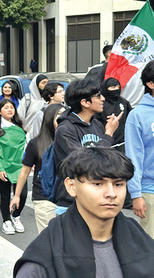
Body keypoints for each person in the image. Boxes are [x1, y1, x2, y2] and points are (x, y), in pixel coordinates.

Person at [8, 147, 154, 278]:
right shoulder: (49, 249)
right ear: (71, 186)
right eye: (98, 183)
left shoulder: (139, 240)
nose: (112, 193)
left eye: (118, 184)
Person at [52, 79, 121, 215]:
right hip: (71, 202)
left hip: (96, 198)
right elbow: (85, 161)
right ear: (84, 102)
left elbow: (106, 160)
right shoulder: (66, 129)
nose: (102, 99)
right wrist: (108, 134)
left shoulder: (97, 124)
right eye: (98, 96)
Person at [10, 104, 66, 233]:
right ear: (49, 118)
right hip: (43, 197)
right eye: (59, 114)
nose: (63, 117)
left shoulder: (70, 141)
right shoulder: (36, 143)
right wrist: (17, 195)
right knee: (49, 237)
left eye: (65, 113)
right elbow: (25, 170)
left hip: (66, 197)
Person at [0, 99, 27, 235]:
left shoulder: (18, 126)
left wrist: (28, 162)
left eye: (12, 107)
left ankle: (16, 216)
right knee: (5, 195)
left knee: (22, 194)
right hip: (2, 167)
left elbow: (25, 146)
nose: (10, 110)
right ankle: (6, 221)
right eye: (6, 107)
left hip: (19, 166)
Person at [126, 60, 154, 237]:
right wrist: (136, 194)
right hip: (150, 190)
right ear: (150, 84)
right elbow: (133, 157)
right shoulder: (137, 115)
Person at [96, 77, 132, 153]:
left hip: (123, 143)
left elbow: (131, 116)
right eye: (112, 87)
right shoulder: (100, 104)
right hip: (105, 143)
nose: (116, 89)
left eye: (118, 87)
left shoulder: (123, 102)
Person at [18, 74, 48, 139]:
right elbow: (19, 118)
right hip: (29, 137)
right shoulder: (27, 99)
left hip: (45, 138)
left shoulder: (49, 100)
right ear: (36, 85)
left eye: (47, 83)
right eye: (43, 83)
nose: (46, 85)